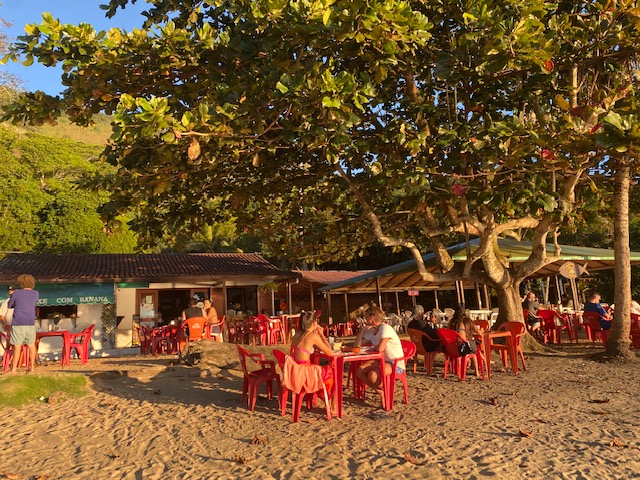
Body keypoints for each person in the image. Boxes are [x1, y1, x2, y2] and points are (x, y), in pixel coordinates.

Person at [354, 305, 405, 408]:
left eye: (366, 317)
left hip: (395, 363)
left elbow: (380, 349)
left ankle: (385, 394)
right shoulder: (372, 330)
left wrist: (374, 348)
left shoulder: (385, 328)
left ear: (372, 317)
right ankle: (381, 391)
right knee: (359, 371)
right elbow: (356, 346)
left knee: (372, 375)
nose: (365, 319)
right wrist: (363, 330)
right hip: (381, 360)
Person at [288, 310, 335, 413]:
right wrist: (322, 335)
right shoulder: (313, 336)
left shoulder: (297, 334)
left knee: (320, 370)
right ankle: (332, 406)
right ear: (314, 323)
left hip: (296, 371)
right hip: (306, 374)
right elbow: (330, 352)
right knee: (333, 373)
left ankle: (321, 399)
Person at [7, 274, 39, 374]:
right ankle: (32, 368)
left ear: (21, 283)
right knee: (31, 345)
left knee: (17, 346)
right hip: (30, 322)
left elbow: (9, 305)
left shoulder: (16, 293)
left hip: (18, 322)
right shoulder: (35, 293)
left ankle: (14, 369)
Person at [447, 307, 484, 377]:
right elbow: (479, 333)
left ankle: (454, 369)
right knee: (473, 350)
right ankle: (476, 371)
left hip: (451, 349)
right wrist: (481, 331)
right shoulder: (467, 321)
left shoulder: (452, 321)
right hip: (462, 349)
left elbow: (448, 331)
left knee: (470, 344)